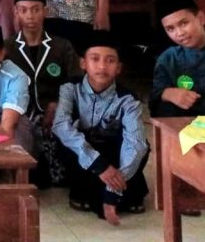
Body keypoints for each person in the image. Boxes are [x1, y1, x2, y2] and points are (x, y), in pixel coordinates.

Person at [53, 31, 149, 225]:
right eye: (95, 59)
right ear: (83, 63)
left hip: (114, 154)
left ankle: (120, 188)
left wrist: (113, 188)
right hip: (84, 153)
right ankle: (119, 191)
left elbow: (136, 143)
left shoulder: (128, 99)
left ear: (119, 68)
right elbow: (61, 125)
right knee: (68, 146)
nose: (102, 66)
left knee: (139, 148)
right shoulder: (70, 89)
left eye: (110, 60)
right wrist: (98, 165)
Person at [5, 0, 78, 186]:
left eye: (35, 9)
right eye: (24, 10)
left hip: (57, 112)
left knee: (63, 173)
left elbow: (74, 82)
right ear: (16, 12)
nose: (30, 16)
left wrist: (57, 104)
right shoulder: (7, 47)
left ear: (44, 11)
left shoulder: (62, 46)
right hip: (22, 114)